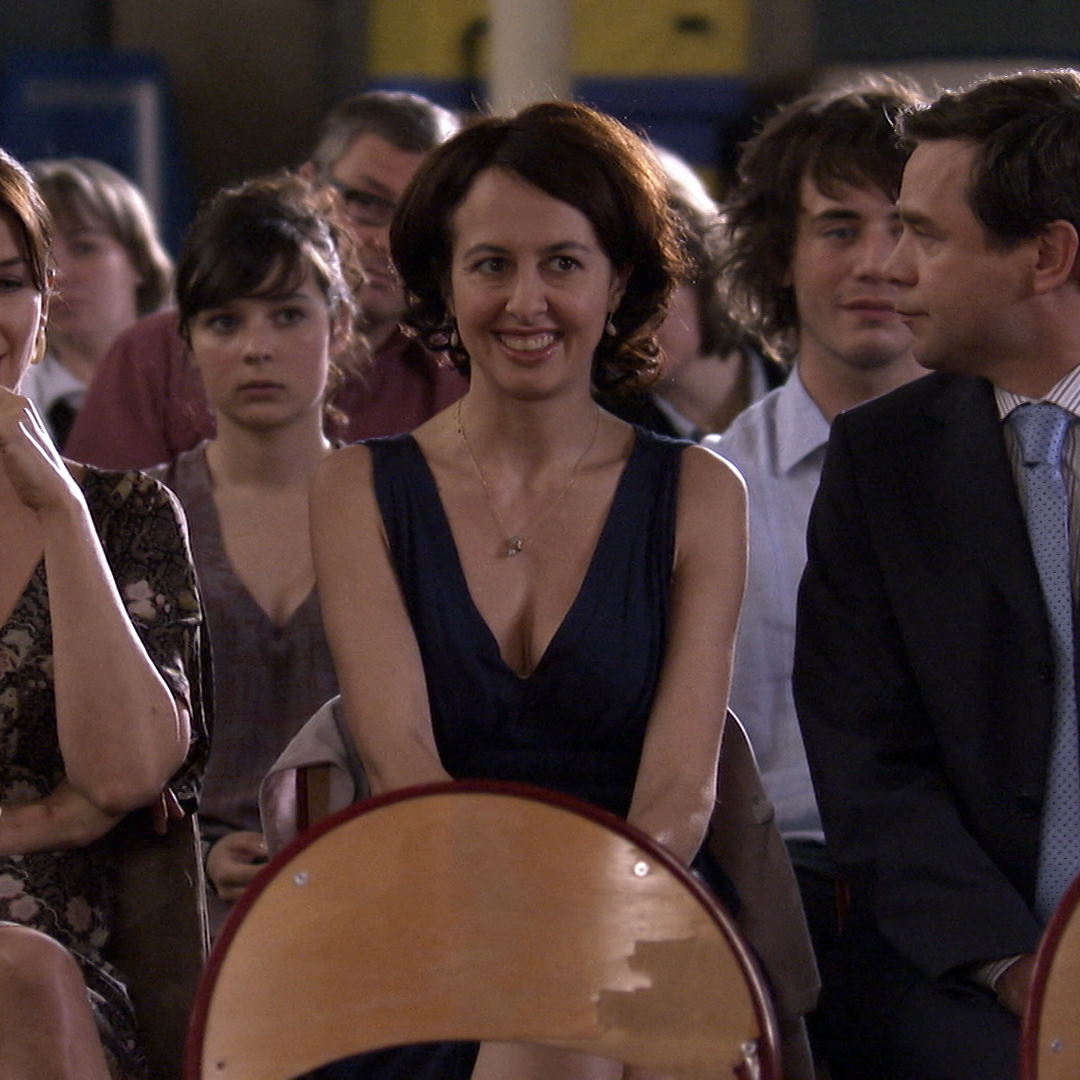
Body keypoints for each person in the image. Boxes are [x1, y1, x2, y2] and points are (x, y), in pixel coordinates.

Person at [310, 101, 747, 1080]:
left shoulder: (701, 494)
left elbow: (680, 794)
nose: (525, 301)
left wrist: (578, 930)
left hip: (642, 905)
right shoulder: (355, 489)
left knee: (563, 1033)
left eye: (562, 263)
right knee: (543, 1036)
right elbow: (400, 762)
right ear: (443, 280)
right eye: (491, 264)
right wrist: (517, 944)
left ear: (618, 280)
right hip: (427, 906)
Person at [793, 69, 1080, 1080]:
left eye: (925, 235)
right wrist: (1015, 968)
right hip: (968, 974)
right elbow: (866, 762)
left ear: (1046, 256)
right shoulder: (881, 463)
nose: (890, 267)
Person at [698, 79, 927, 1068]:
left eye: (907, 227)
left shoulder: (1025, 477)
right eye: (839, 228)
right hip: (762, 902)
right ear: (779, 257)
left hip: (964, 916)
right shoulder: (710, 488)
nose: (877, 262)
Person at [0, 147, 207, 1078]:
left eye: (6, 283)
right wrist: (46, 818)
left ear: (42, 310)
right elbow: (88, 801)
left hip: (66, 969)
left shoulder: (126, 516)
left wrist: (61, 511)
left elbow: (123, 776)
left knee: (23, 974)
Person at [151, 172, 355, 934]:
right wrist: (198, 854)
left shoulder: (401, 512)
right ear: (188, 341)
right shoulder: (142, 518)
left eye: (288, 315)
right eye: (224, 321)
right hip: (184, 906)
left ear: (338, 326)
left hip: (369, 881)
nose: (257, 349)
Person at [65, 90, 465, 470]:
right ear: (309, 185)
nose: (389, 241)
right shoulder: (151, 356)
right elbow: (96, 514)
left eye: (421, 215)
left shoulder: (462, 374)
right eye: (366, 202)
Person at [602, 147, 782, 439]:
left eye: (643, 285)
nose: (618, 319)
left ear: (704, 270)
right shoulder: (606, 437)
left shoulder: (810, 371)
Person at [22, 158, 172, 449]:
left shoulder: (196, 378)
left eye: (84, 248)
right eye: (39, 256)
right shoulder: (12, 399)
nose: (57, 274)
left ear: (140, 261)